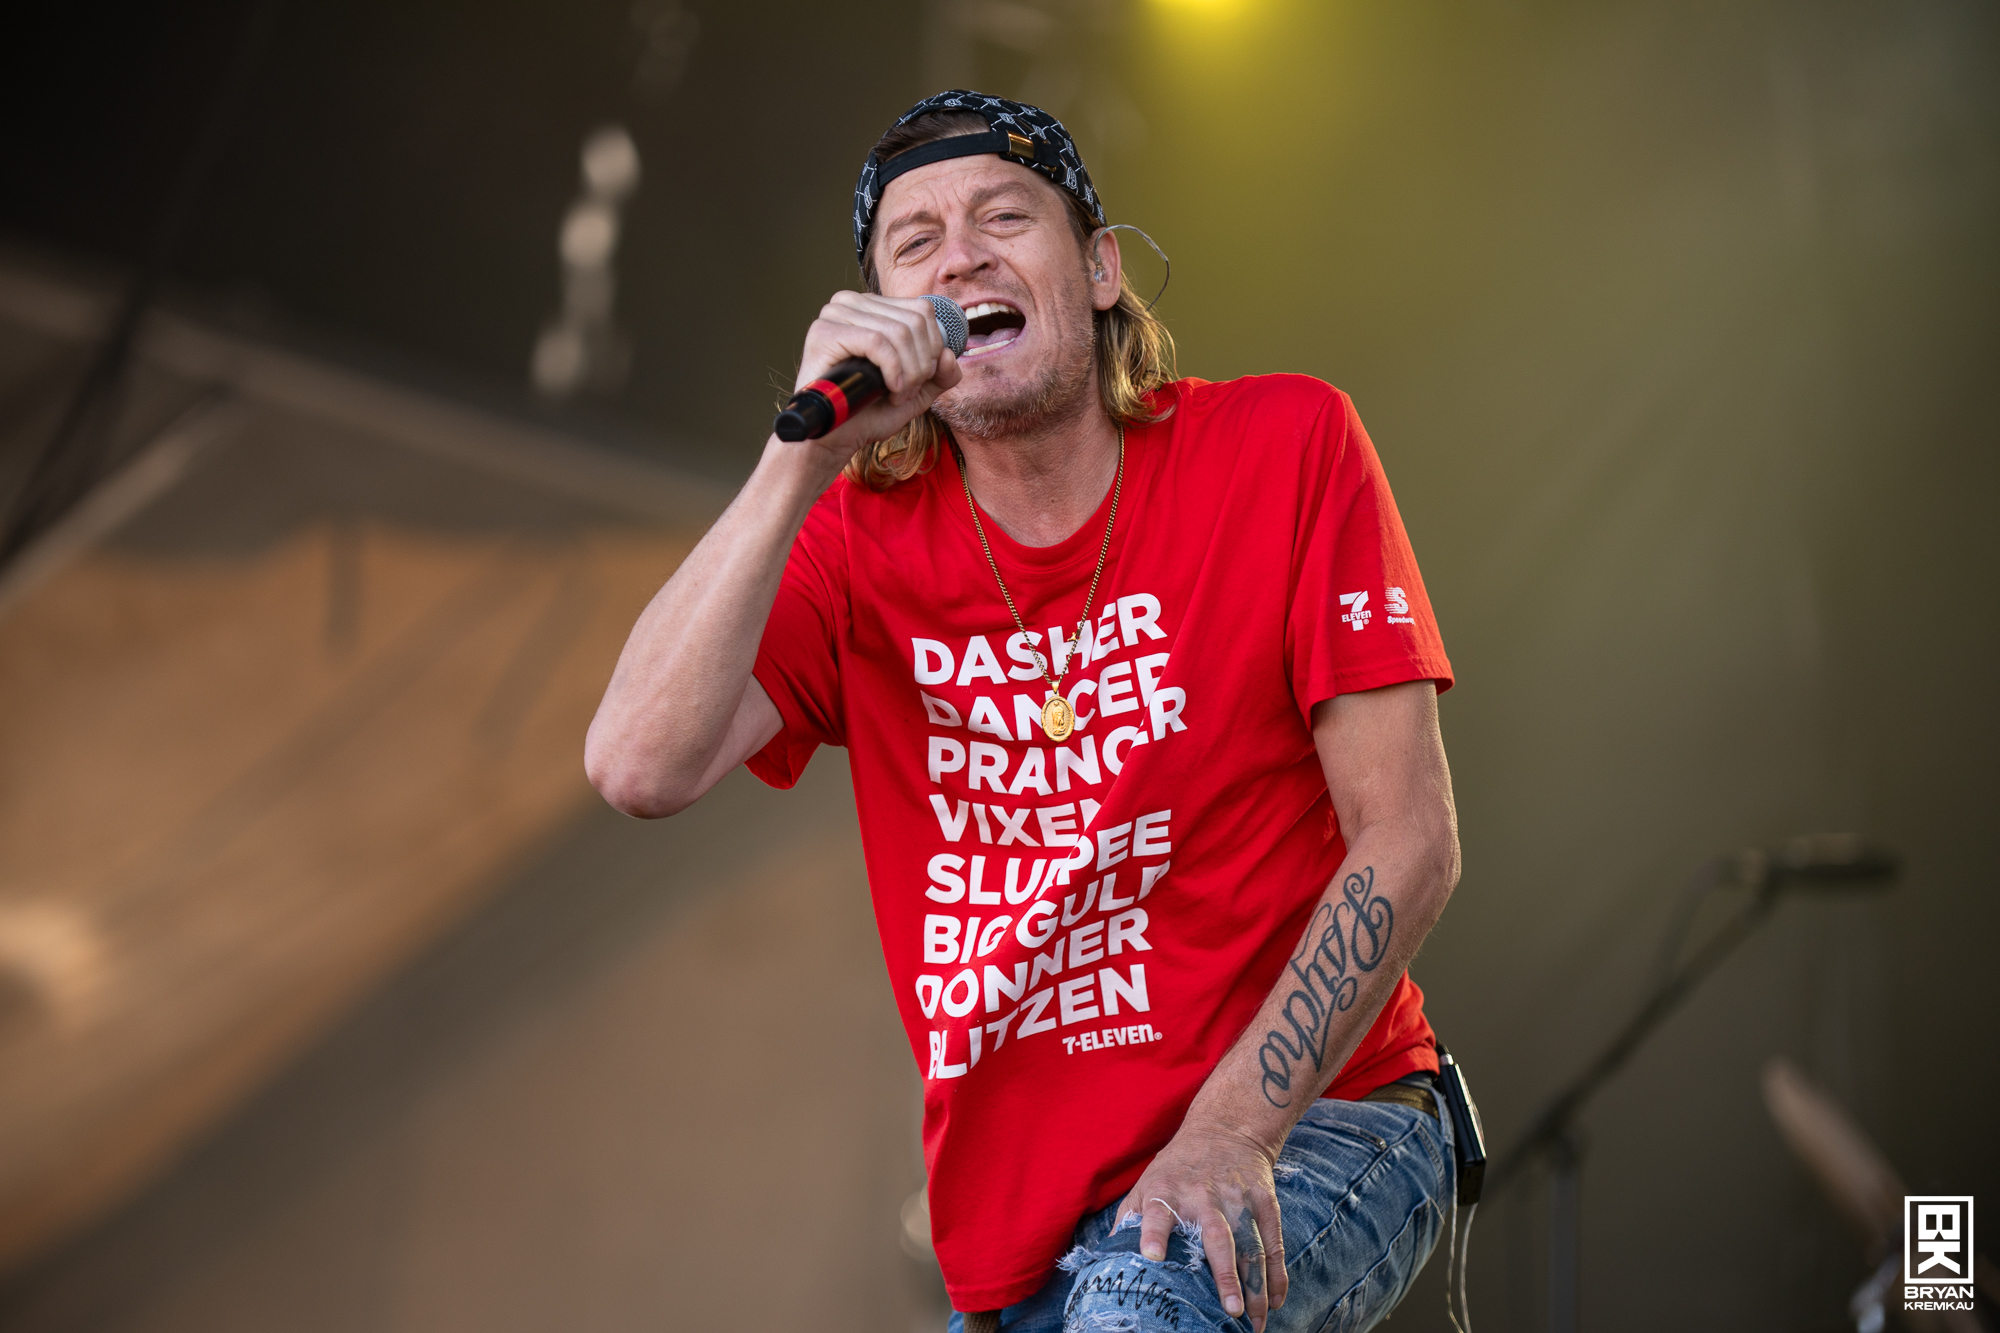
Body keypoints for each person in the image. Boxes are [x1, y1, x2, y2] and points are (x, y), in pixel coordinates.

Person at [586, 90, 1463, 1333]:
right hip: (1024, 1240)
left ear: (1098, 270)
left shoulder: (1281, 443)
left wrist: (1229, 1128)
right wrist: (799, 456)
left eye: (1003, 217)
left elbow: (1409, 837)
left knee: (1140, 1308)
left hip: (1320, 1120)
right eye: (915, 242)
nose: (960, 257)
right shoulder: (855, 544)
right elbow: (636, 763)